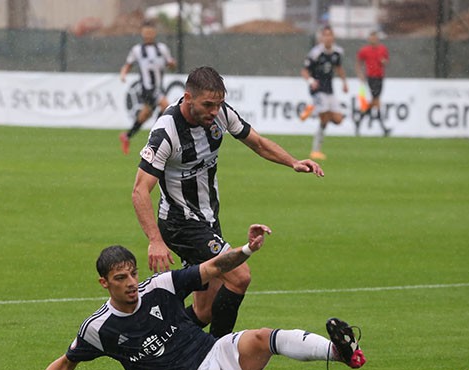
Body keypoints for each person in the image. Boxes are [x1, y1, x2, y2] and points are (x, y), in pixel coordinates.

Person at [0, 224, 366, 370]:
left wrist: (247, 248)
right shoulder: (99, 329)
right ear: (104, 283)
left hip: (217, 353)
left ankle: (339, 351)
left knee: (262, 336)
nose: (131, 283)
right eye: (121, 279)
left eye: (133, 274)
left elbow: (216, 266)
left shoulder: (160, 286)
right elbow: (66, 363)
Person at [132, 66, 324, 340]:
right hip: (180, 223)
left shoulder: (220, 114)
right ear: (188, 98)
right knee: (239, 277)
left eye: (218, 104)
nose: (214, 111)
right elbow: (140, 190)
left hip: (208, 219)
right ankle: (219, 360)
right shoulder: (166, 133)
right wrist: (155, 240)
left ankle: (155, 350)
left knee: (204, 311)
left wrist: (292, 161)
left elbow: (256, 142)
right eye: (208, 104)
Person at [119, 20, 176, 155]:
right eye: (146, 32)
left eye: (150, 32)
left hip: (158, 87)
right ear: (142, 33)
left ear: (154, 33)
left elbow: (171, 65)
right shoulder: (137, 50)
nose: (148, 35)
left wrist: (173, 64)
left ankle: (127, 136)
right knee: (165, 106)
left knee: (145, 115)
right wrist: (123, 74)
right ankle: (157, 135)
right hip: (146, 88)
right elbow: (128, 64)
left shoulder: (162, 48)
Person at [300, 25, 348, 161]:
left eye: (330, 35)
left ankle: (312, 111)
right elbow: (304, 71)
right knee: (325, 119)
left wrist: (344, 82)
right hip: (317, 89)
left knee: (338, 120)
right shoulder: (315, 53)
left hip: (330, 89)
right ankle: (315, 151)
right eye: (325, 35)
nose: (328, 38)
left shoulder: (338, 52)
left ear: (333, 37)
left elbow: (338, 67)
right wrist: (311, 81)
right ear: (321, 37)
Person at [354, 31, 390, 136]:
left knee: (375, 102)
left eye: (374, 38)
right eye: (371, 38)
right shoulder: (365, 50)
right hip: (371, 78)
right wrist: (360, 75)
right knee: (376, 101)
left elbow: (386, 61)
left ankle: (359, 119)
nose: (373, 40)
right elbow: (358, 63)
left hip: (380, 78)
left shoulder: (383, 49)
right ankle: (383, 128)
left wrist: (383, 62)